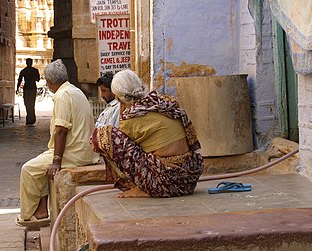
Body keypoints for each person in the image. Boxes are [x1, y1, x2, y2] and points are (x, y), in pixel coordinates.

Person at [90, 69, 204, 198]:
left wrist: (122, 112)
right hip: (189, 179)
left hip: (166, 183)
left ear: (118, 97)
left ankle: (141, 188)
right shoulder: (163, 102)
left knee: (103, 136)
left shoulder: (131, 117)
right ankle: (144, 184)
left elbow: (125, 153)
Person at [16, 59, 99, 226]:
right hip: (83, 150)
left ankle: (28, 215)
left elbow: (61, 130)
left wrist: (56, 161)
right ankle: (41, 211)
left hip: (74, 153)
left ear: (49, 82)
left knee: (29, 170)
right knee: (41, 166)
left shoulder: (62, 96)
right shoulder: (74, 91)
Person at [16, 58, 40, 126]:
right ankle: (29, 118)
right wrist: (17, 88)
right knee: (26, 104)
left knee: (32, 104)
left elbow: (38, 79)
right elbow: (19, 80)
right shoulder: (23, 71)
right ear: (26, 63)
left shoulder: (35, 70)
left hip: (32, 88)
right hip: (26, 89)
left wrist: (33, 76)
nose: (29, 63)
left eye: (30, 62)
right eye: (28, 62)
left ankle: (31, 119)